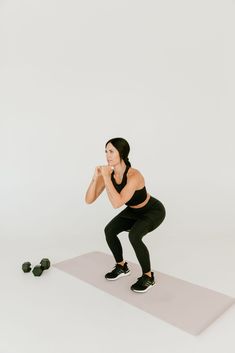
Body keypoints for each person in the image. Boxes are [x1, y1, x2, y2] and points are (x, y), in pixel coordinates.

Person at [85, 137, 166, 293]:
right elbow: (89, 199)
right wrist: (96, 178)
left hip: (152, 211)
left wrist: (106, 177)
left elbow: (117, 203)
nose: (107, 155)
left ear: (121, 153)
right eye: (106, 151)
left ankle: (148, 277)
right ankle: (121, 266)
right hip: (133, 211)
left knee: (134, 236)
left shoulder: (134, 176)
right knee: (109, 231)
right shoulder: (109, 174)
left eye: (111, 151)